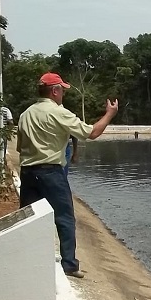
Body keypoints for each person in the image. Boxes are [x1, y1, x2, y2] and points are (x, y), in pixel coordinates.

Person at [16, 72, 118, 278]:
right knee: (64, 218)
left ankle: (29, 260)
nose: (63, 94)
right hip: (51, 173)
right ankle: (69, 265)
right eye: (62, 90)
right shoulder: (58, 112)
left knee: (29, 218)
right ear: (54, 91)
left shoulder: (25, 114)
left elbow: (20, 148)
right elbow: (92, 133)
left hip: (27, 172)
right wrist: (110, 114)